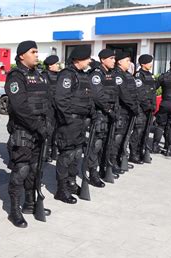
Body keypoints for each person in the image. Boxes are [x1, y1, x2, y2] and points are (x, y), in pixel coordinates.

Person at [5, 41, 51, 228]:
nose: (37, 55)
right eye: (33, 52)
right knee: (21, 171)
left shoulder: (39, 75)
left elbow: (47, 101)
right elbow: (19, 107)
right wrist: (37, 125)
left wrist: (48, 124)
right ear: (22, 55)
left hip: (39, 129)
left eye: (37, 51)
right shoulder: (16, 77)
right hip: (23, 130)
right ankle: (14, 211)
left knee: (35, 169)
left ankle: (30, 203)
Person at [53, 45, 94, 204]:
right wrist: (70, 119)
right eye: (87, 58)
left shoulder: (81, 75)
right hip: (70, 123)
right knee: (67, 156)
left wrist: (91, 113)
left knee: (77, 155)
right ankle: (61, 189)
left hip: (81, 122)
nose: (90, 61)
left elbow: (87, 97)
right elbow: (61, 101)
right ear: (78, 59)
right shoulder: (67, 75)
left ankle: (71, 183)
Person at [88, 49, 118, 186]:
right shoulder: (97, 74)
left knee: (107, 143)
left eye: (114, 58)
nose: (114, 60)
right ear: (102, 60)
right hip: (100, 114)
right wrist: (108, 109)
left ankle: (103, 168)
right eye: (111, 58)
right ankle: (93, 173)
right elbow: (97, 96)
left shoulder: (111, 74)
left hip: (110, 113)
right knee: (96, 144)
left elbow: (115, 94)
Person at [112, 51, 139, 172]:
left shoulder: (127, 74)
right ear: (120, 61)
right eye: (127, 61)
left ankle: (119, 160)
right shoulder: (117, 74)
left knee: (124, 138)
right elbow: (124, 94)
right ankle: (112, 163)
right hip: (121, 111)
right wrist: (134, 107)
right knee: (117, 139)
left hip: (128, 111)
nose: (129, 63)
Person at [133, 54, 159, 163]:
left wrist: (153, 105)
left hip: (149, 108)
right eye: (149, 62)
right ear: (143, 64)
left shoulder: (150, 75)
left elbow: (152, 92)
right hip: (141, 109)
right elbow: (140, 93)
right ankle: (134, 154)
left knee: (145, 132)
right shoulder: (139, 75)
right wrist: (147, 106)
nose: (151, 64)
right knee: (138, 131)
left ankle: (141, 152)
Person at [43, 55, 60, 161]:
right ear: (50, 66)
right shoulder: (44, 76)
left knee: (57, 131)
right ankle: (46, 153)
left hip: (57, 108)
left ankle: (54, 152)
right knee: (49, 131)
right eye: (56, 64)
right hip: (49, 108)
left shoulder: (59, 76)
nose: (58, 66)